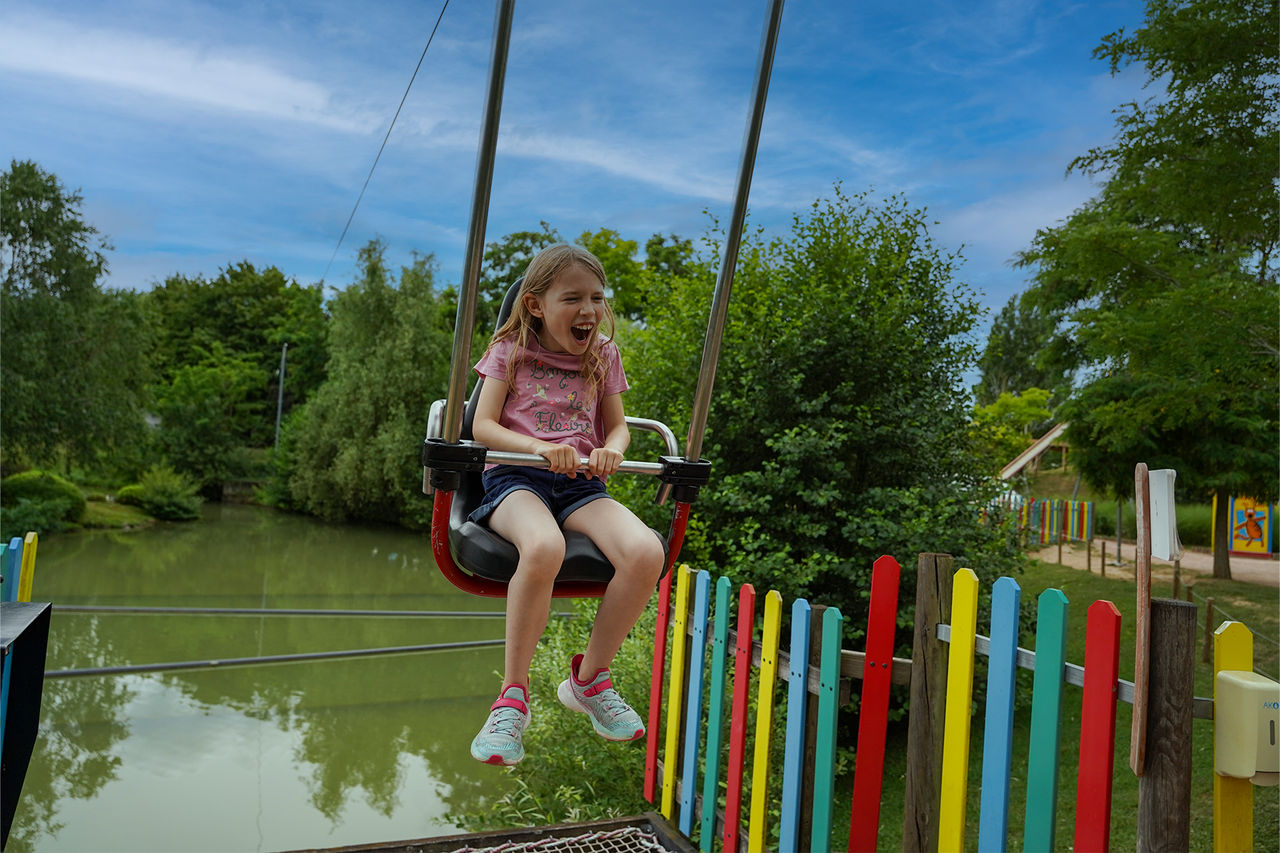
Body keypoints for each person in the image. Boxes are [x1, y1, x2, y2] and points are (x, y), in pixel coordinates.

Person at [467, 243, 666, 766]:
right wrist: (536, 447)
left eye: (596, 299)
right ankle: (511, 697)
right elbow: (482, 426)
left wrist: (611, 451)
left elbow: (618, 426)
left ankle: (589, 680)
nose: (588, 310)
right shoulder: (510, 350)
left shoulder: (603, 353)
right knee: (543, 547)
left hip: (580, 485)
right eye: (572, 298)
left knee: (646, 552)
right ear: (536, 304)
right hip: (517, 476)